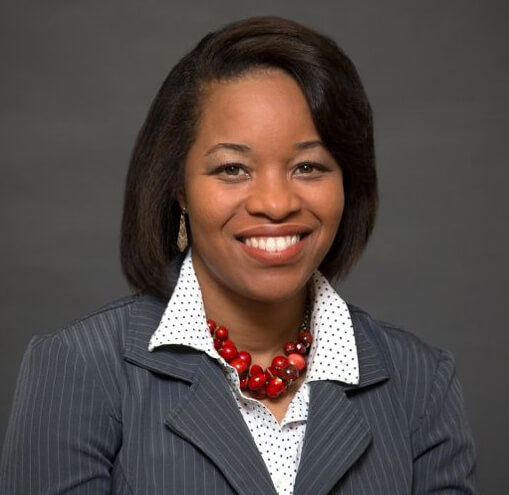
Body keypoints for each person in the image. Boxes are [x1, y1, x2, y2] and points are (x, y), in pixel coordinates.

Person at [0, 16, 477, 495]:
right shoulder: (79, 369)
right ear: (179, 188)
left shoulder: (420, 382)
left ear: (348, 182)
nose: (276, 203)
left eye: (308, 166)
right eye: (233, 169)